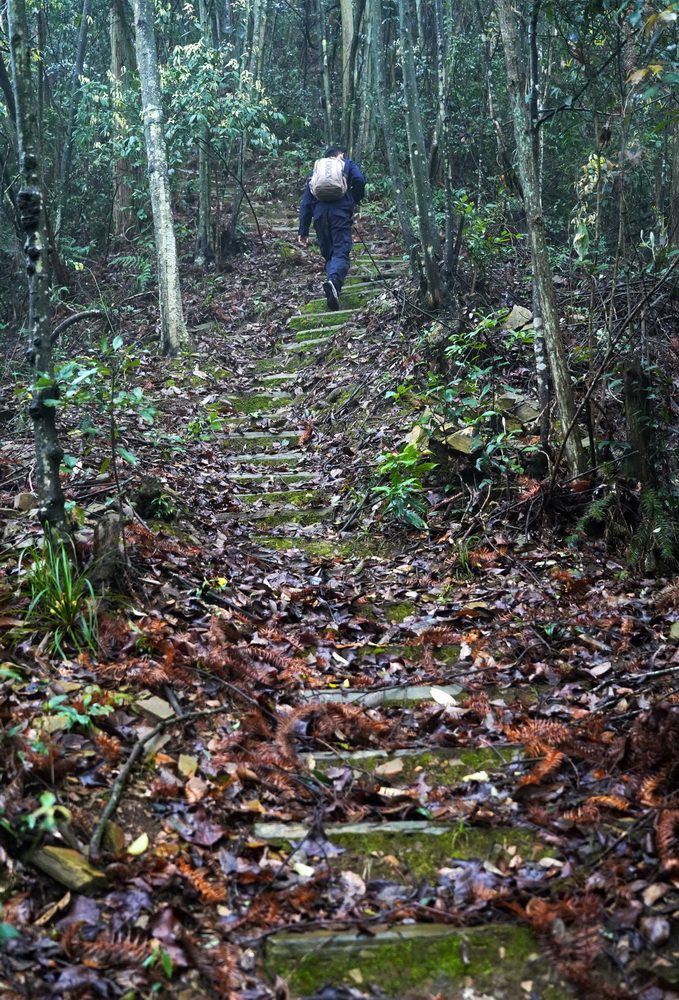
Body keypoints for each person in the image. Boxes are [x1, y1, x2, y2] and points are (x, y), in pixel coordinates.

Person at [298, 146, 366, 311]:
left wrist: (303, 230)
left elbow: (306, 201)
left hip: (320, 215)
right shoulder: (347, 164)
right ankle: (334, 282)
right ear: (340, 155)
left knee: (329, 253)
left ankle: (333, 288)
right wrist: (351, 200)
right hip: (340, 214)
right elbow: (360, 180)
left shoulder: (317, 170)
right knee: (341, 251)